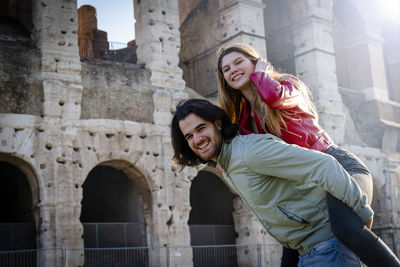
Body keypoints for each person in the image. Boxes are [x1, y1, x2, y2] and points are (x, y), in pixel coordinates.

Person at [217, 43, 400, 267]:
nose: (232, 70)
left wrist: (262, 75)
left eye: (238, 62)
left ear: (256, 62)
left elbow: (274, 97)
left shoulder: (287, 85)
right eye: (226, 69)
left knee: (345, 227)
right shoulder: (244, 116)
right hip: (310, 187)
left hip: (340, 167)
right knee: (290, 254)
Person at [171, 98, 378, 267]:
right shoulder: (229, 165)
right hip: (309, 251)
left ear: (217, 123)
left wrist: (361, 218)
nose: (197, 139)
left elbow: (325, 166)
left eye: (201, 129)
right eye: (189, 136)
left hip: (328, 248)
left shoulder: (249, 152)